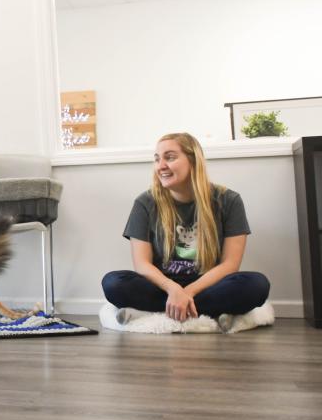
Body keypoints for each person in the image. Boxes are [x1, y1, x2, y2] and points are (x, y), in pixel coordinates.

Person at [102, 132, 270, 322]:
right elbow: (142, 264)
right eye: (157, 159)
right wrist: (173, 289)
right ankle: (204, 310)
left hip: (209, 284)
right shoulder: (145, 202)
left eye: (170, 157)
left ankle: (164, 309)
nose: (161, 166)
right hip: (162, 286)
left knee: (256, 285)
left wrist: (188, 291)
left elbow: (230, 264)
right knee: (113, 283)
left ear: (193, 161)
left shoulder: (229, 200)